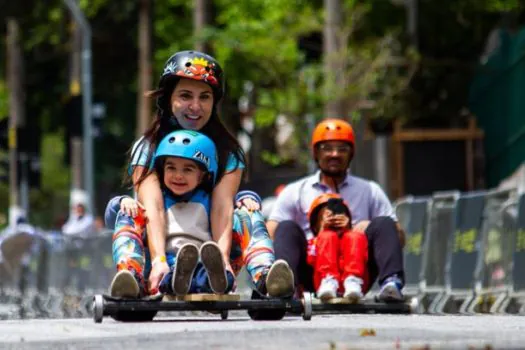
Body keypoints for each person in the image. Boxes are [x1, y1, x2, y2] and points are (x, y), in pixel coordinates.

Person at [104, 50, 293, 298]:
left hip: (210, 253)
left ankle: (267, 278)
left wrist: (223, 258)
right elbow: (153, 206)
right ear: (168, 98)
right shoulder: (147, 147)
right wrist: (159, 260)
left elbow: (222, 207)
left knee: (246, 210)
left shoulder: (229, 151)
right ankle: (131, 276)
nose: (195, 106)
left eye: (204, 97)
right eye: (185, 96)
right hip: (158, 252)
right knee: (132, 211)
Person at [267, 118, 405, 302]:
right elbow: (269, 233)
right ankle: (285, 287)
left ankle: (391, 284)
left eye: (342, 149)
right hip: (312, 269)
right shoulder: (296, 191)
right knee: (285, 227)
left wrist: (366, 227)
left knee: (384, 222)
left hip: (358, 268)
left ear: (351, 154)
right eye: (327, 148)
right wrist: (316, 232)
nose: (334, 154)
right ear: (316, 152)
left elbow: (399, 238)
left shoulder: (370, 190)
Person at [306, 193, 368, 302]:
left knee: (355, 236)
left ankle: (352, 281)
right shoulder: (314, 241)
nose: (333, 221)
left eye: (338, 216)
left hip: (355, 286)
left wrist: (348, 229)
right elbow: (311, 259)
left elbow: (364, 258)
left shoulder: (354, 237)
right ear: (315, 226)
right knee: (327, 236)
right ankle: (329, 281)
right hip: (323, 284)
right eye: (326, 217)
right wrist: (322, 232)